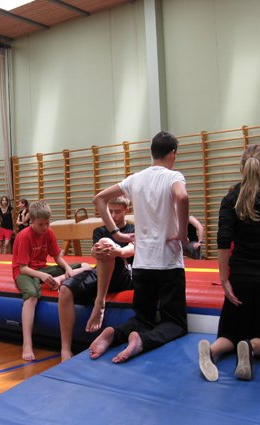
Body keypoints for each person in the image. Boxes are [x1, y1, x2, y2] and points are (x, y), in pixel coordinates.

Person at [88, 131, 189, 364]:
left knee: (143, 318)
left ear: (152, 153)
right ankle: (142, 341)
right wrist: (182, 233)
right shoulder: (173, 176)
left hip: (142, 264)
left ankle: (115, 334)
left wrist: (116, 233)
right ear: (173, 154)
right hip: (168, 263)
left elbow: (99, 199)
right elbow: (182, 197)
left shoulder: (136, 179)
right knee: (175, 323)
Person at [198, 144, 260, 382]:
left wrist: (224, 280)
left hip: (239, 277)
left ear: (242, 169)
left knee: (231, 331)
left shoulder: (230, 200)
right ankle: (251, 347)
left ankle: (212, 350)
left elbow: (223, 242)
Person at [12, 200, 92, 361]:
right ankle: (27, 343)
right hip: (24, 272)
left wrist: (67, 268)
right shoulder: (24, 236)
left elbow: (57, 257)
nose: (45, 227)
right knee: (32, 296)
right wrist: (41, 276)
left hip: (42, 269)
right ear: (31, 221)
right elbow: (23, 268)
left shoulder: (48, 232)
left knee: (85, 265)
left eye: (47, 223)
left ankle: (60, 277)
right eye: (40, 224)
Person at [59, 197, 134, 361]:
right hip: (103, 271)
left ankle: (99, 304)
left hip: (125, 273)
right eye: (110, 212)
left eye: (117, 212)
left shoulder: (132, 229)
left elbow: (132, 248)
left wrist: (117, 250)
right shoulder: (99, 230)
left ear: (126, 211)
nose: (113, 216)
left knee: (107, 243)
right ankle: (65, 348)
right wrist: (96, 251)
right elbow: (95, 252)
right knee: (65, 289)